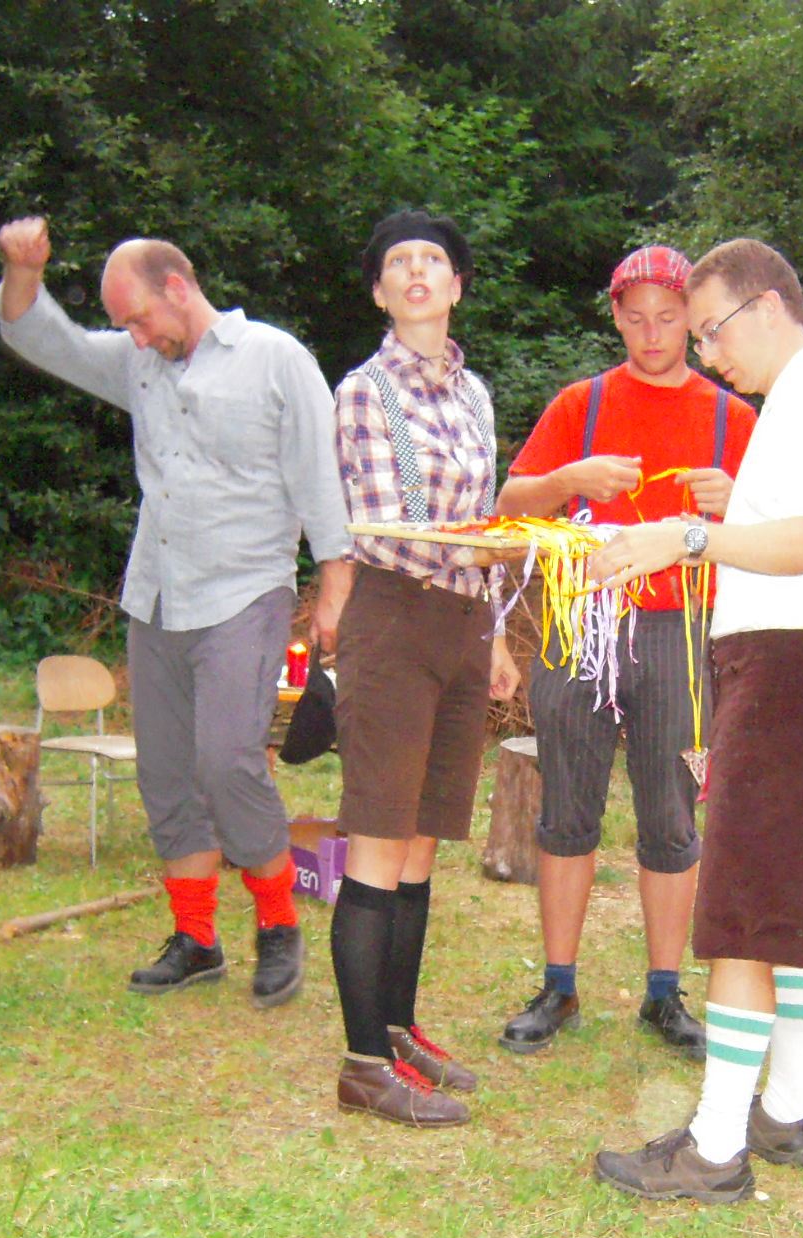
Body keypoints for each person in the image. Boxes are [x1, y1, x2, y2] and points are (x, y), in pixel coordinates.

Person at [0, 219, 353, 1006]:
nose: (135, 336)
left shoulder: (275, 358)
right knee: (166, 774)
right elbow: (39, 336)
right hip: (156, 594)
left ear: (178, 289)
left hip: (245, 591)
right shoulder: (140, 362)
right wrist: (23, 271)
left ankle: (278, 924)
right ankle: (196, 938)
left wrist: (335, 585)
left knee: (226, 761)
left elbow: (320, 477)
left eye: (139, 318)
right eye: (125, 326)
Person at [588, 239, 803, 1202]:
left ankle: (716, 1150)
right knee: (784, 901)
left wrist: (687, 535)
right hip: (786, 665)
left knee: (745, 916)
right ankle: (784, 1111)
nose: (708, 354)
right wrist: (725, 517)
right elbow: (789, 531)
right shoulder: (799, 404)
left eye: (712, 330)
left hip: (787, 667)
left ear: (765, 307)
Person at [494, 245, 756, 1059]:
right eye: (636, 318)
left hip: (680, 634)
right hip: (580, 625)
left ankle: (665, 993)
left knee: (672, 816)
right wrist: (567, 478)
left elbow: (782, 534)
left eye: (668, 318)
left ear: (694, 322)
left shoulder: (732, 418)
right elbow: (509, 503)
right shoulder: (583, 404)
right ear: (615, 316)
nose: (652, 334)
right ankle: (558, 986)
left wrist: (736, 502)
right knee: (565, 809)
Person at [329, 210, 522, 1127]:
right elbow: (386, 523)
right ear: (380, 292)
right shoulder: (364, 392)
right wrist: (507, 534)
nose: (416, 271)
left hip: (462, 622)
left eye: (433, 260)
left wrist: (499, 629)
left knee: (420, 843)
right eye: (398, 262)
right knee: (377, 837)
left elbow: (481, 515)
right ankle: (362, 1065)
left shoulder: (476, 394)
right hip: (394, 617)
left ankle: (397, 1028)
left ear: (456, 286)